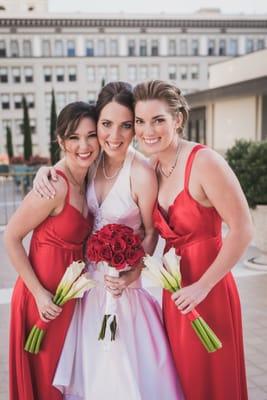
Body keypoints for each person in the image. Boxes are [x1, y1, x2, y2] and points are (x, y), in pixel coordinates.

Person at [34, 82, 184, 400]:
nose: (114, 136)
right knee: (92, 374)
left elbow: (150, 232)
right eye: (106, 125)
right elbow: (68, 164)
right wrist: (45, 170)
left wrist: (131, 274)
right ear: (97, 123)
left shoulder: (141, 173)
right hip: (88, 289)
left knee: (124, 375)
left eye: (125, 125)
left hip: (124, 290)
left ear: (134, 127)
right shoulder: (92, 163)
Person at [132, 80, 253, 400]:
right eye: (140, 121)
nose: (148, 130)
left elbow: (243, 229)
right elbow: (151, 234)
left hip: (209, 289)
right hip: (176, 292)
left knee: (214, 376)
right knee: (184, 379)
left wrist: (203, 286)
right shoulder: (151, 167)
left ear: (178, 119)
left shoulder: (205, 162)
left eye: (158, 120)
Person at [4, 102, 100, 400]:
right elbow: (11, 236)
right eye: (74, 138)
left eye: (91, 135)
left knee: (65, 381)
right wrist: (39, 293)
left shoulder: (90, 177)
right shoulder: (54, 186)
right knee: (45, 382)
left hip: (70, 299)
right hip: (42, 300)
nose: (83, 146)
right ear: (60, 141)